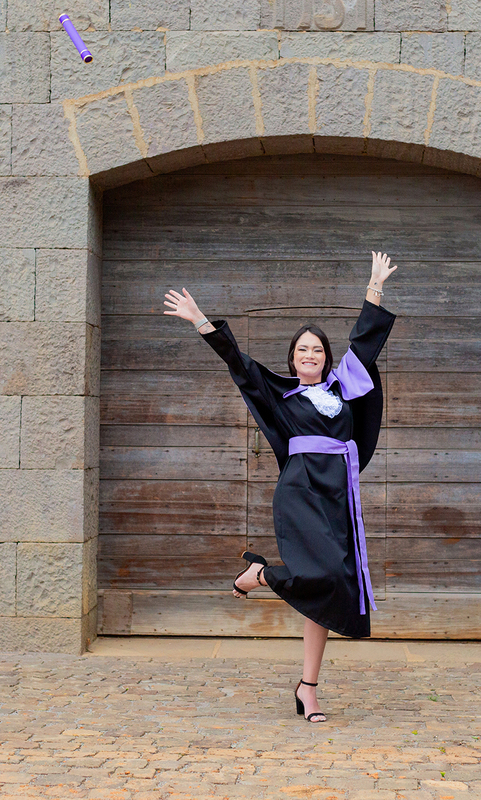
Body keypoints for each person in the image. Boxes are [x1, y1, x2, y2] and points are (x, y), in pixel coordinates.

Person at [162, 251, 399, 723]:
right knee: (326, 577)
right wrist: (200, 321)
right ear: (292, 359)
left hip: (339, 494)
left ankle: (307, 690)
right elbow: (239, 363)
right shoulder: (281, 393)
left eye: (317, 350)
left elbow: (366, 346)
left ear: (325, 358)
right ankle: (263, 576)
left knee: (331, 592)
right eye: (301, 350)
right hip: (300, 491)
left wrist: (375, 286)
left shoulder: (342, 388)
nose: (309, 355)